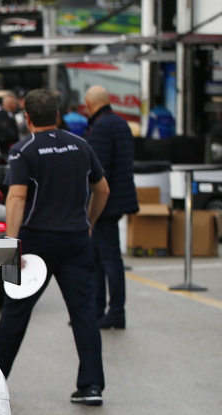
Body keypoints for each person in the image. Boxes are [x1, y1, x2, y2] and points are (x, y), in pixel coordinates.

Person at [0, 88, 110, 406]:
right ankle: (92, 386)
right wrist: (89, 223)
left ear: (27, 118)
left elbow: (17, 196)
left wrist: (11, 245)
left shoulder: (23, 150)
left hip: (36, 241)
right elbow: (103, 190)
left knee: (16, 311)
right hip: (76, 239)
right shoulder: (81, 145)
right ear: (57, 115)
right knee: (83, 312)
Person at [85, 84, 139, 330]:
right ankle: (98, 311)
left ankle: (115, 312)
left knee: (107, 259)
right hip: (119, 199)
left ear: (90, 105)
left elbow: (98, 172)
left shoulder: (101, 127)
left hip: (105, 202)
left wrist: (89, 207)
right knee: (101, 258)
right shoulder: (120, 123)